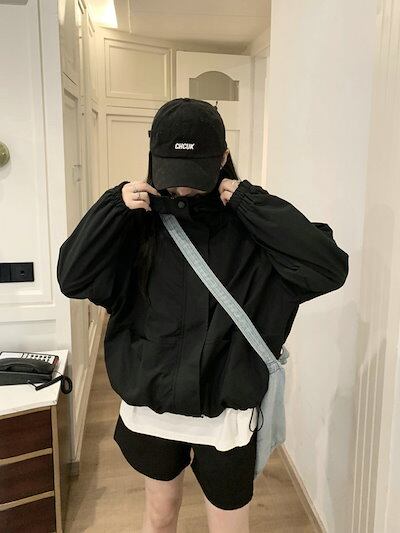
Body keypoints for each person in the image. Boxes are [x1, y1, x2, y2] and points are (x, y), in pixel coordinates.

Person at [57, 97, 349, 533]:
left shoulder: (248, 225)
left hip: (224, 415)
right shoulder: (137, 225)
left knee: (228, 526)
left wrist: (252, 203)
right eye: (172, 173)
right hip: (152, 407)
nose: (183, 190)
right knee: (159, 516)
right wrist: (112, 206)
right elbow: (72, 277)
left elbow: (328, 268)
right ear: (153, 158)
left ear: (223, 158)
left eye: (194, 174)